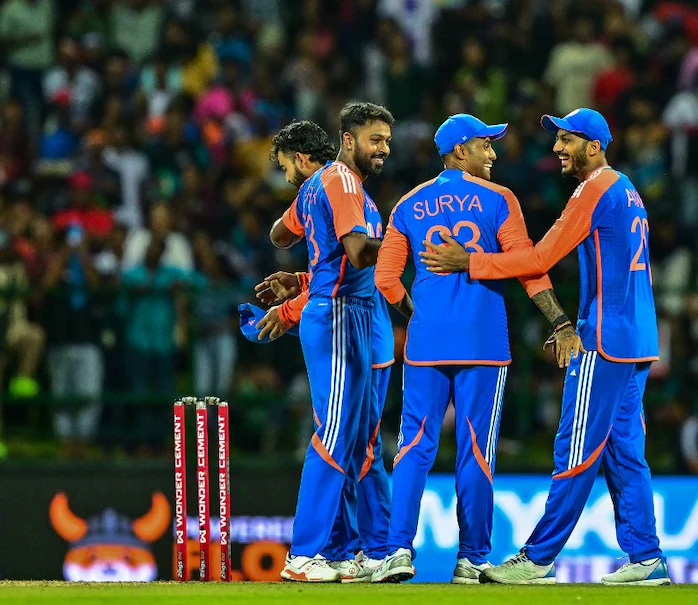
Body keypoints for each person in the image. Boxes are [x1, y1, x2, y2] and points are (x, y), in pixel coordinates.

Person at [421, 108, 670, 586]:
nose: (557, 148)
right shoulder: (625, 188)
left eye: (566, 140)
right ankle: (646, 555)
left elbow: (539, 258)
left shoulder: (594, 189)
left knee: (575, 450)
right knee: (625, 451)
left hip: (603, 339)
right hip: (637, 337)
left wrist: (470, 261)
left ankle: (537, 558)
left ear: (593, 146)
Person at [370, 114, 581, 584]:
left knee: (413, 447)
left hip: (426, 343)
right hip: (483, 343)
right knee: (476, 452)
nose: (493, 153)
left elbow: (385, 279)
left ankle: (397, 550)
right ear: (460, 150)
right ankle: (472, 558)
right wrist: (560, 321)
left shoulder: (407, 203)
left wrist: (419, 313)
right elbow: (528, 266)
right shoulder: (500, 198)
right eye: (486, 145)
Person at [257, 103, 394, 583]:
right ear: (348, 140)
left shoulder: (330, 186)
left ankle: (344, 550)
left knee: (354, 441)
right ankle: (304, 553)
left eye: (387, 141)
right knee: (336, 435)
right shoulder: (341, 181)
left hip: (347, 313)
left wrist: (304, 262)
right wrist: (403, 241)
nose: (384, 149)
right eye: (376, 139)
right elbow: (356, 254)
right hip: (339, 315)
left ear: (299, 159)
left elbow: (280, 235)